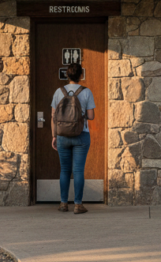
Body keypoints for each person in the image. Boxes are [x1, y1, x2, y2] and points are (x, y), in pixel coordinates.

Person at [51, 63, 95, 214]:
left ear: (67, 75)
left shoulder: (58, 92)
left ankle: (63, 203)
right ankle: (78, 205)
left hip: (62, 135)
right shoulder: (86, 92)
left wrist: (54, 135)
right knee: (78, 170)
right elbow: (91, 116)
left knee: (64, 170)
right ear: (80, 76)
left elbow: (53, 117)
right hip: (81, 135)